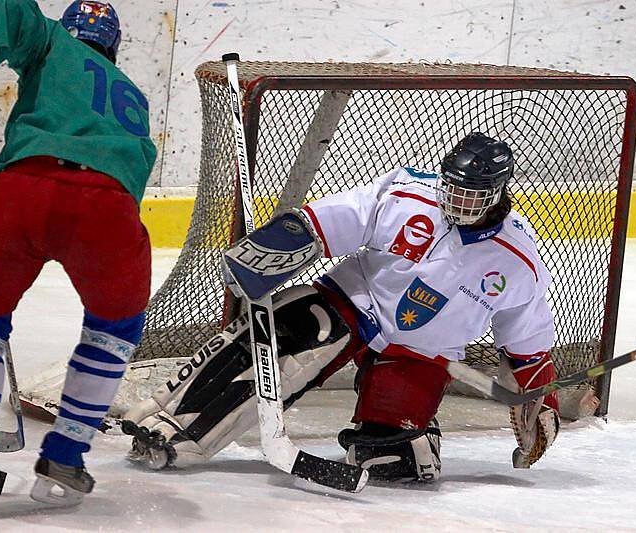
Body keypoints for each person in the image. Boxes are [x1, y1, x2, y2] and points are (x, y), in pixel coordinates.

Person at [123, 132, 559, 482]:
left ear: (497, 194)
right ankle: (173, 417)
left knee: (393, 460)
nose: (455, 200)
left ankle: (411, 429)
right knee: (288, 338)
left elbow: (529, 344)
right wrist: (284, 240)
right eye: (452, 188)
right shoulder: (410, 194)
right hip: (354, 301)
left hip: (420, 353)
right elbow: (341, 217)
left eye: (470, 194)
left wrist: (544, 400)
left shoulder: (518, 260)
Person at [0, 0, 156, 510]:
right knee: (116, 325)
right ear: (112, 47)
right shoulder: (132, 94)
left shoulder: (52, 41)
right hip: (107, 208)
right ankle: (65, 460)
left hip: (23, 189)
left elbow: (14, 9)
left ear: (69, 32)